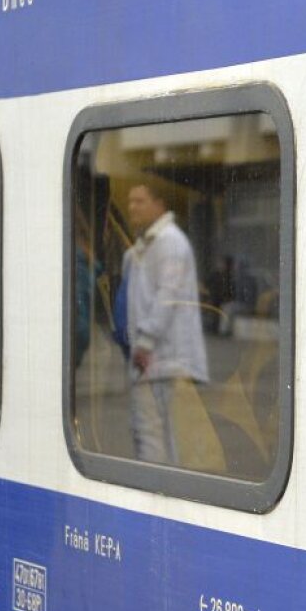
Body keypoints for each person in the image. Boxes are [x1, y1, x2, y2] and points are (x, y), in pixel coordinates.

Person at [120, 183, 212, 466]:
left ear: (159, 204)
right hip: (153, 362)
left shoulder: (170, 242)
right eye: (130, 201)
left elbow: (167, 294)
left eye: (140, 200)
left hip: (164, 360)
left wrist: (145, 342)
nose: (132, 206)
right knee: (151, 438)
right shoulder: (145, 246)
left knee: (162, 442)